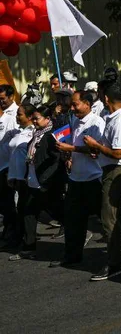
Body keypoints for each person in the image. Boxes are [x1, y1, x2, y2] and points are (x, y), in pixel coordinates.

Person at [81, 82, 121, 281]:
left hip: (117, 170)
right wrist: (98, 149)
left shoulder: (120, 120)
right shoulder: (112, 118)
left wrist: (96, 146)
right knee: (114, 213)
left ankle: (114, 264)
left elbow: (118, 153)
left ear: (106, 99)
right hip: (110, 168)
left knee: (108, 218)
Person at [50, 91, 105, 268]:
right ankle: (72, 255)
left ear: (87, 104)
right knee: (73, 220)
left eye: (76, 104)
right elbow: (73, 144)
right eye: (71, 105)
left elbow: (96, 150)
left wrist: (72, 147)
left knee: (106, 216)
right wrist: (69, 156)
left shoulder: (97, 123)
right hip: (75, 178)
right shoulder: (74, 120)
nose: (72, 108)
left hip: (93, 178)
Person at [9, 105, 65, 260]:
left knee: (57, 210)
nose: (33, 121)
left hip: (46, 183)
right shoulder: (37, 133)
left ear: (47, 119)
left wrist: (46, 179)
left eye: (37, 118)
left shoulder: (52, 135)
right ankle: (28, 248)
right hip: (33, 180)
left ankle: (78, 232)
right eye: (33, 118)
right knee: (29, 213)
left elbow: (56, 160)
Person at [4, 104, 36, 250]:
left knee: (27, 210)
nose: (17, 117)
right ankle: (19, 240)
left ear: (29, 117)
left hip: (26, 178)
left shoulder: (33, 133)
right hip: (16, 178)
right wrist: (12, 176)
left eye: (20, 114)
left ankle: (25, 242)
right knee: (21, 210)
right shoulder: (19, 132)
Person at [0, 84, 19, 240]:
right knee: (4, 202)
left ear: (11, 97)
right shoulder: (4, 114)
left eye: (3, 99)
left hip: (9, 165)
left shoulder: (15, 115)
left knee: (8, 202)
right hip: (2, 164)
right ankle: (10, 229)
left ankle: (13, 232)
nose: (1, 102)